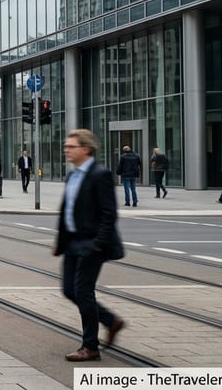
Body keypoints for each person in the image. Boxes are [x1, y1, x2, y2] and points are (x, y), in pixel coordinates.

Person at [53, 129, 126, 362]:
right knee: (69, 289)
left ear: (86, 149)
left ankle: (90, 347)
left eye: (71, 146)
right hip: (73, 242)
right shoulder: (73, 175)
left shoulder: (99, 174)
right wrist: (59, 241)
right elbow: (68, 209)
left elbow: (109, 213)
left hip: (92, 244)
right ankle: (110, 320)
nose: (66, 149)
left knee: (83, 292)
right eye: (66, 146)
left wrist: (97, 244)